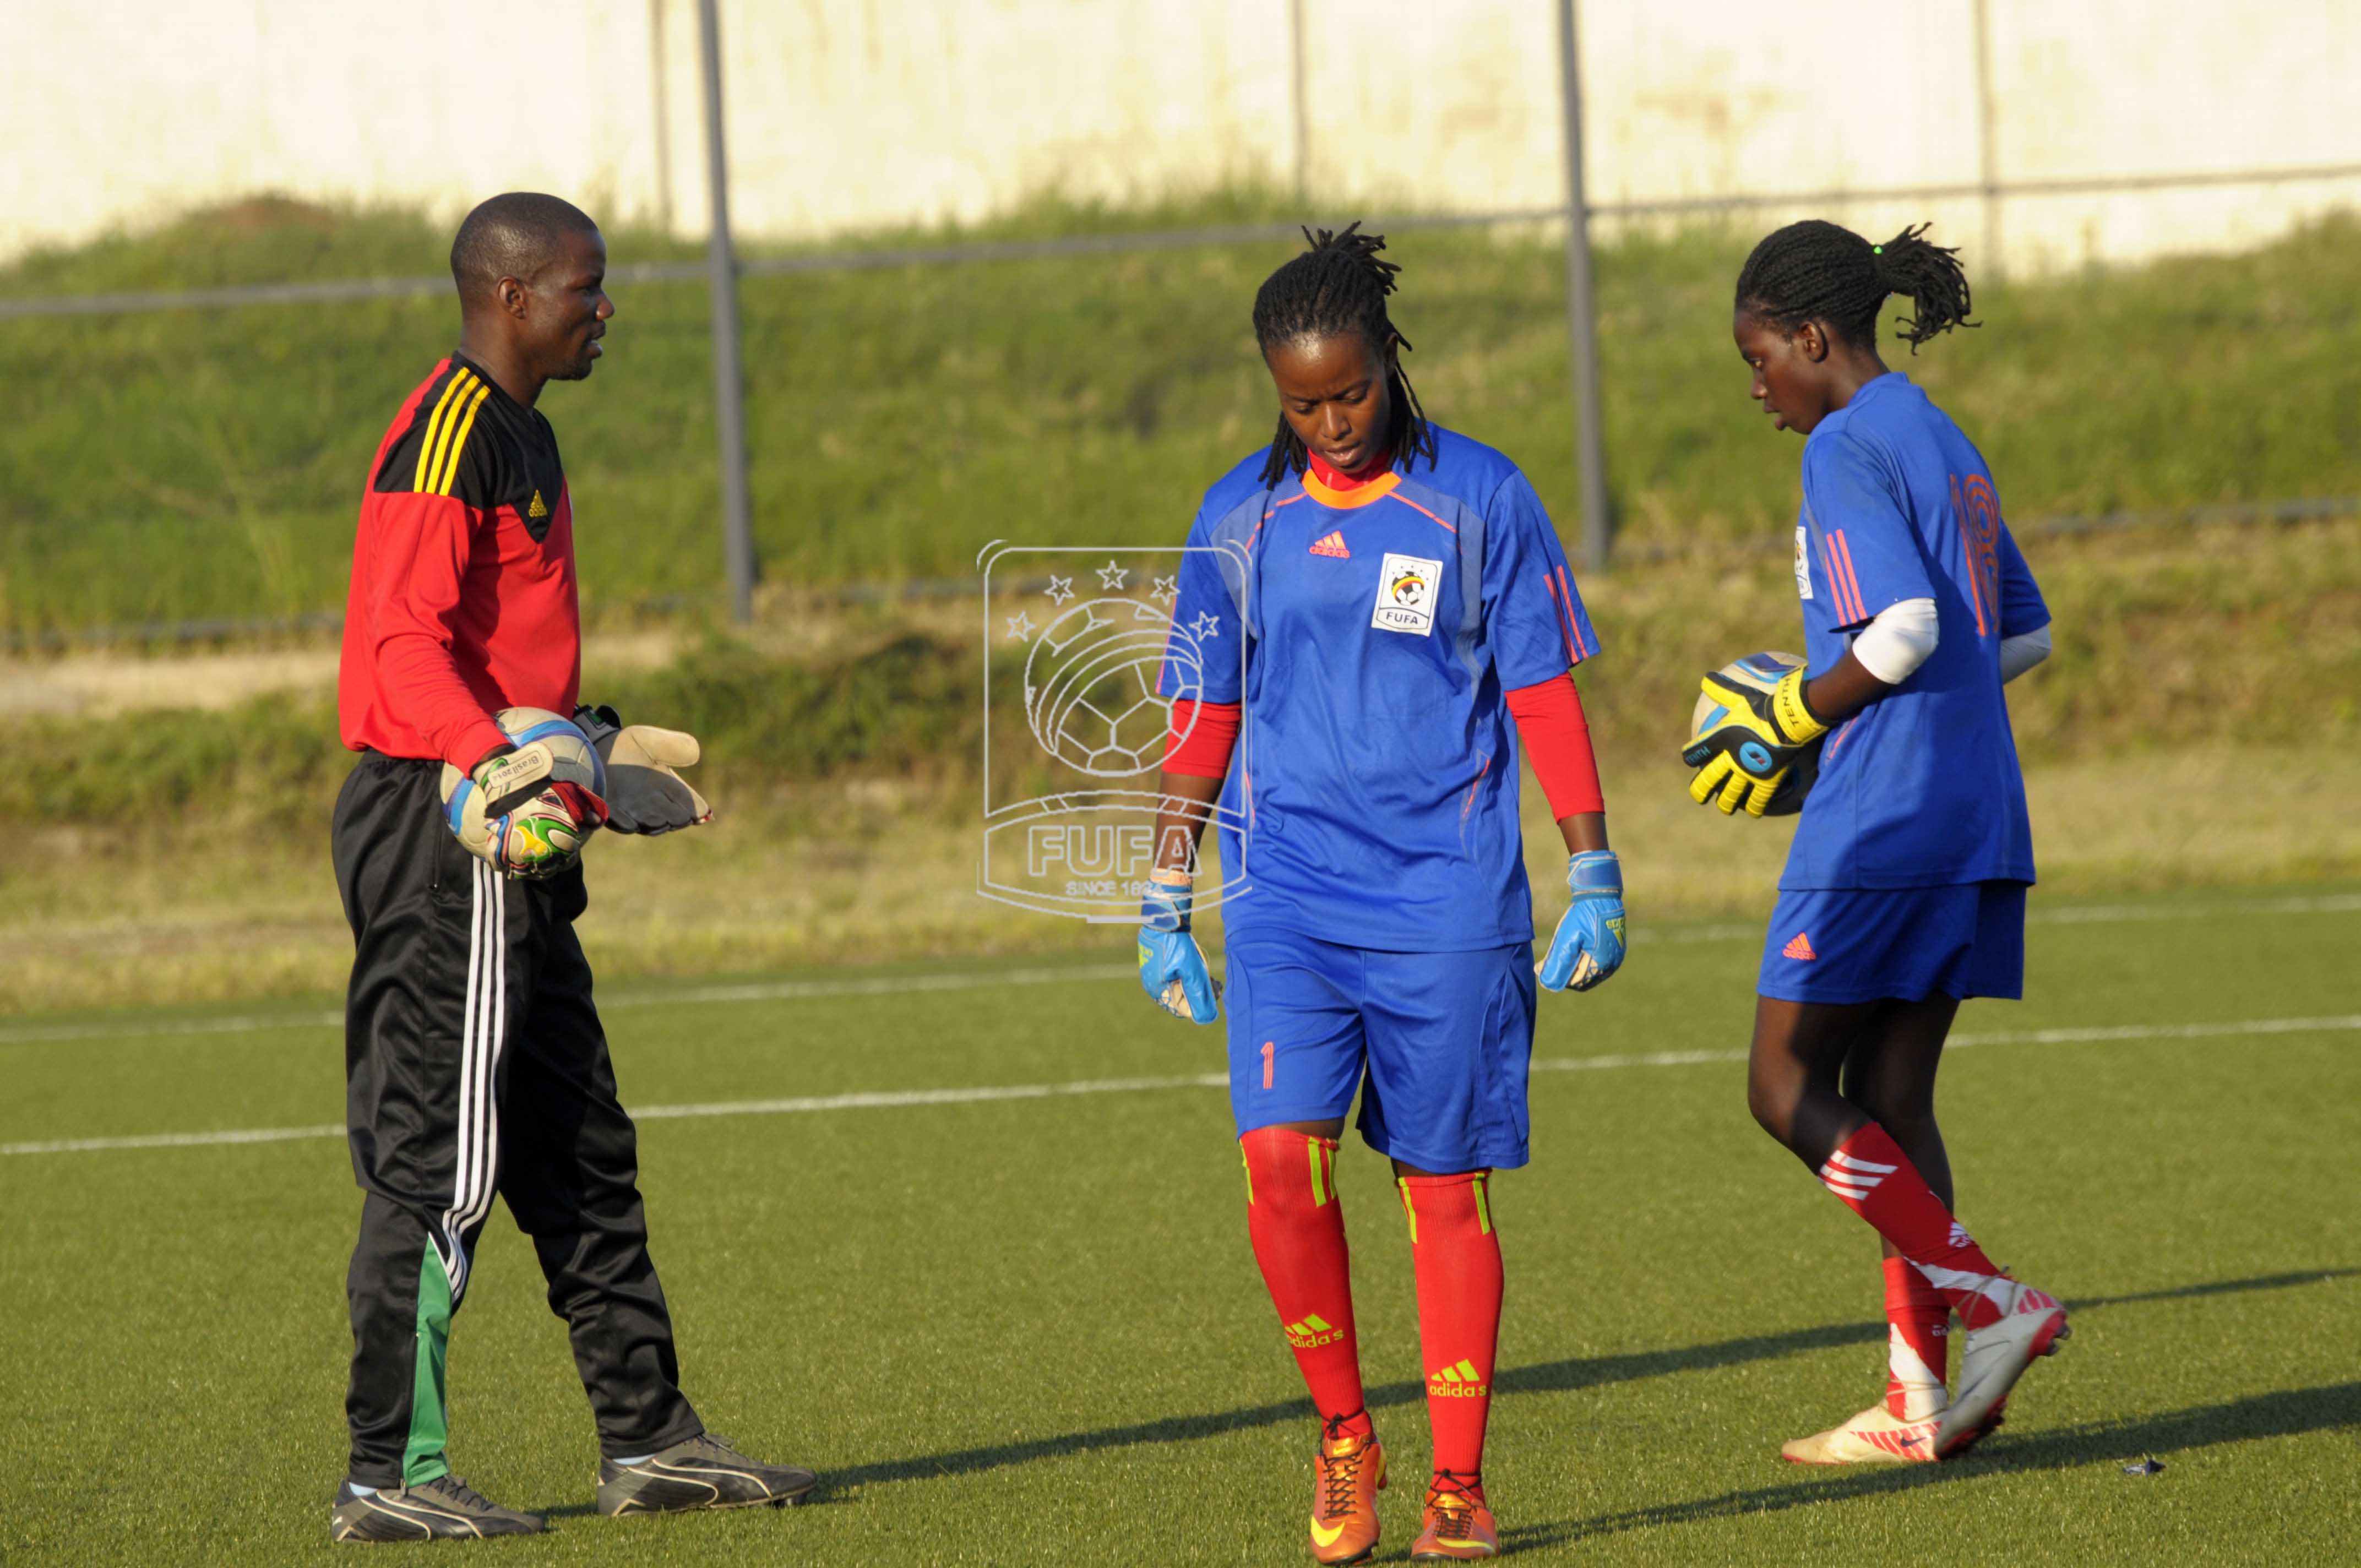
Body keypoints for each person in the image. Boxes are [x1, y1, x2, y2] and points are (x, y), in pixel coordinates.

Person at [1136, 225, 1628, 1564]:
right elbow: (1204, 708)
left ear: (1387, 361)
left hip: (1447, 900)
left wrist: (1589, 864)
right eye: (1301, 401)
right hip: (1288, 896)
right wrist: (1162, 892)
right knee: (1274, 1170)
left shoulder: (1480, 496)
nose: (1330, 422)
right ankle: (1345, 1434)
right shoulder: (1238, 516)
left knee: (1441, 1189)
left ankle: (1457, 1487)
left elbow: (1537, 688)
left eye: (1348, 391)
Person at [329, 192, 814, 1540]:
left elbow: (491, 648)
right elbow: (396, 653)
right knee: (440, 1162)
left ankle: (649, 1439)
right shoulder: (448, 436)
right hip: (448, 827)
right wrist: (503, 761)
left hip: (506, 811)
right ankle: (390, 1472)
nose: (607, 310)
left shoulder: (518, 430)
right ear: (512, 295)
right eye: (587, 288)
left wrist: (585, 750)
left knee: (581, 1146)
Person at [1687, 219, 2065, 1467]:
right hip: (1975, 807)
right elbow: (2018, 635)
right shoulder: (1937, 431)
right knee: (1894, 1098)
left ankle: (1991, 1298)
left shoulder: (1846, 442)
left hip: (1884, 821)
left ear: (1810, 337)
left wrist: (1793, 715)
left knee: (1781, 1082)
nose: (1757, 391)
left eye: (1758, 361)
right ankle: (1915, 1399)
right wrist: (1909, 719)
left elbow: (1900, 626)